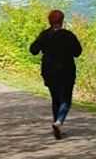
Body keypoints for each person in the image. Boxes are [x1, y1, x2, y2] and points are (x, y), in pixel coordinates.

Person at [29, 8, 83, 139]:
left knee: (55, 99)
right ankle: (59, 122)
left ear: (49, 21)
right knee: (66, 100)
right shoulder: (68, 35)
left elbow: (33, 50)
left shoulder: (44, 35)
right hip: (67, 71)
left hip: (49, 71)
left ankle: (56, 127)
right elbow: (77, 52)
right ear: (62, 21)